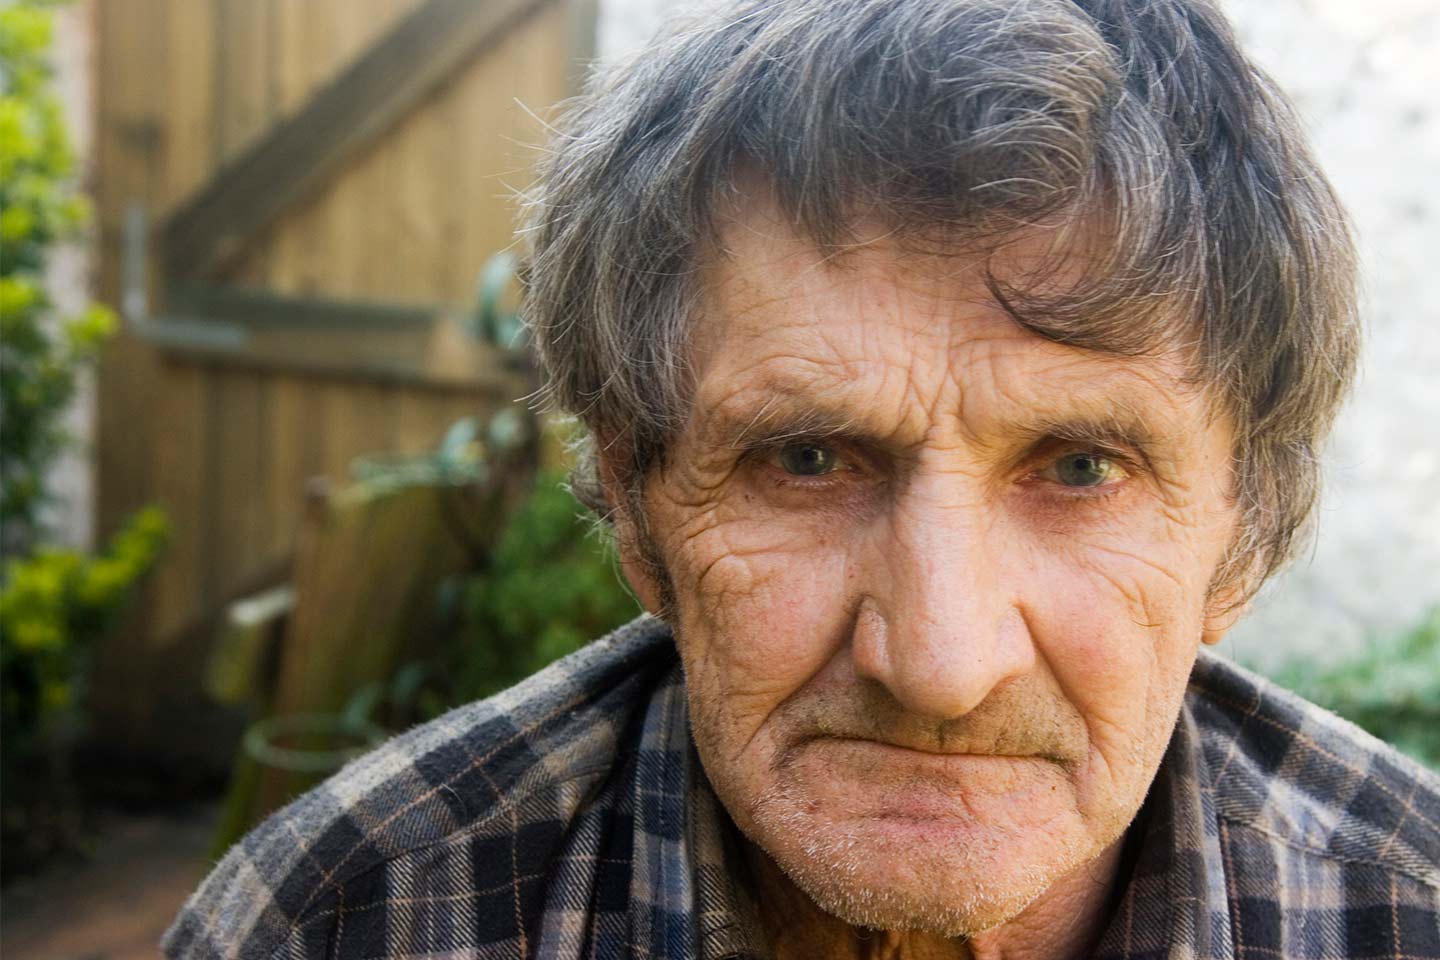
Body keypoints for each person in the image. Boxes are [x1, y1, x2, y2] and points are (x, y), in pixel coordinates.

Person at [165, 1, 1440, 957]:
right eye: (809, 458)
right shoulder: (337, 923)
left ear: (1246, 531)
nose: (941, 664)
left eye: (1084, 467)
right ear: (641, 509)